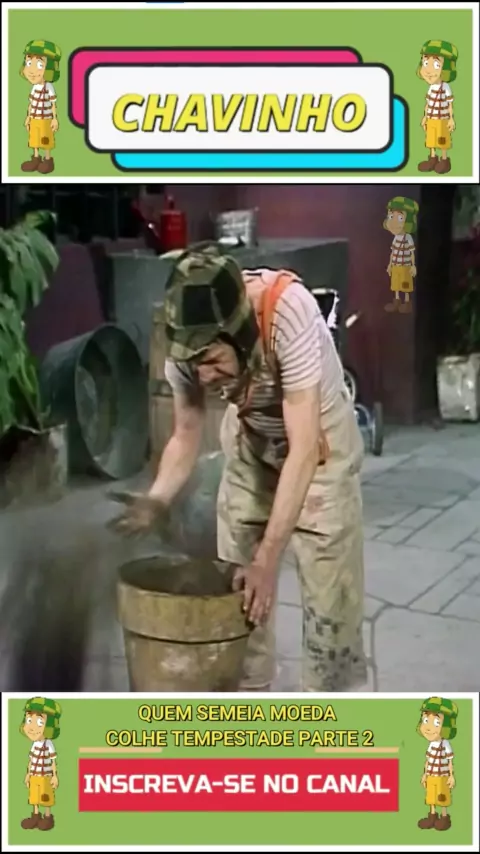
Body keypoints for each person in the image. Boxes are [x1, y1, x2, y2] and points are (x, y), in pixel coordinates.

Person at [113, 242, 366, 692]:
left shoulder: (288, 313)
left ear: (241, 333)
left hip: (319, 444)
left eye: (212, 360)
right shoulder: (185, 347)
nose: (203, 376)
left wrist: (268, 559)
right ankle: (247, 700)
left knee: (331, 606)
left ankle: (331, 704)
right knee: (239, 591)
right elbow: (185, 434)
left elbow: (304, 449)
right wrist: (156, 500)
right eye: (194, 364)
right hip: (253, 440)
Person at [20, 39, 62, 174]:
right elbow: (31, 103)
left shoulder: (49, 87)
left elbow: (53, 103)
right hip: (34, 118)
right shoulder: (34, 87)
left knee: (45, 140)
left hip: (46, 119)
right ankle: (36, 159)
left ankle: (48, 160)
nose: (31, 70)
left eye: (39, 64)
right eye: (28, 63)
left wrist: (54, 119)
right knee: (34, 139)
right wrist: (28, 117)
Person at [417, 40, 458, 175]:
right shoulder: (431, 87)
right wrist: (425, 117)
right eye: (425, 63)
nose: (428, 70)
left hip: (442, 119)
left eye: (436, 64)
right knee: (431, 139)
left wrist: (451, 119)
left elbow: (450, 103)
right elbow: (428, 103)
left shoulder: (445, 87)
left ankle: (444, 160)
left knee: (442, 140)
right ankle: (432, 159)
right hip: (431, 118)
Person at [384, 196, 419, 314]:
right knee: (396, 285)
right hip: (396, 266)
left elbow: (411, 252)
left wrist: (413, 266)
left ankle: (407, 302)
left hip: (405, 266)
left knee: (405, 285)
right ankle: (397, 301)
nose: (393, 222)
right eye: (391, 217)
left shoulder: (407, 238)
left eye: (399, 218)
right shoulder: (396, 238)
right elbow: (393, 252)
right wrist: (390, 265)